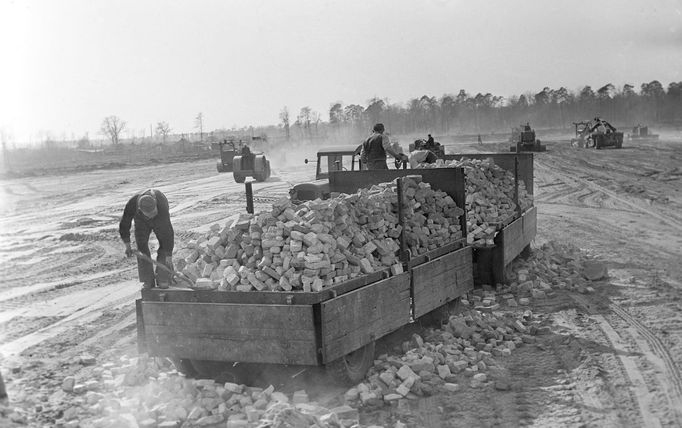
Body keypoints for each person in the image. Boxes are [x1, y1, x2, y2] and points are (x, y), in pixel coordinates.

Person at [119, 189, 174, 289]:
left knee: (163, 246)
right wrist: (127, 245)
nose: (153, 216)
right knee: (141, 247)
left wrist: (169, 255)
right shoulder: (132, 204)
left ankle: (162, 277)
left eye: (154, 212)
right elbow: (124, 224)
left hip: (160, 220)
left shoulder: (161, 206)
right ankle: (147, 280)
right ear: (140, 210)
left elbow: (168, 233)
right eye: (150, 215)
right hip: (141, 221)